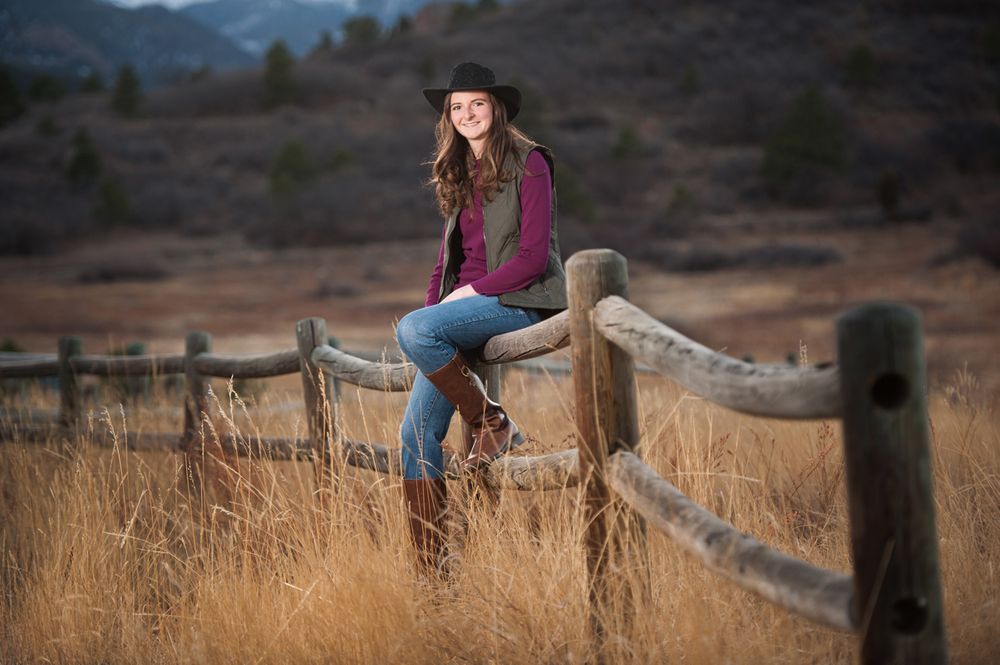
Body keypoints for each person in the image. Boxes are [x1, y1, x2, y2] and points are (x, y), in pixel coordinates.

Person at [395, 62, 567, 572]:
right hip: (466, 310)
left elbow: (533, 259)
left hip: (519, 301)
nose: (467, 114)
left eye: (477, 104)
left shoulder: (529, 163)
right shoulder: (457, 170)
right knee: (414, 435)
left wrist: (462, 298)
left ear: (496, 108)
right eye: (456, 107)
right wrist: (436, 314)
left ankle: (491, 421)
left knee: (413, 328)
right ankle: (434, 576)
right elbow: (444, 264)